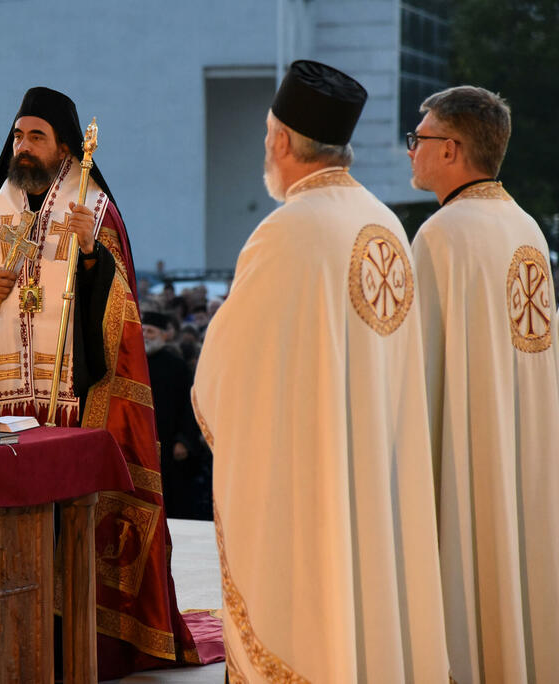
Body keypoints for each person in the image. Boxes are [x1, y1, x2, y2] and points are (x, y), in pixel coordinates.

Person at [192, 61, 449, 682]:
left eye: (266, 136)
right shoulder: (385, 222)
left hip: (313, 475)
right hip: (379, 463)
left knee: (315, 607)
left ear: (282, 141)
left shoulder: (287, 230)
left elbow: (227, 365)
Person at [0, 86, 199, 677]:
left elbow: (119, 314)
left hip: (74, 404)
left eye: (36, 136)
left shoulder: (95, 209)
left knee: (72, 529)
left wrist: (90, 254)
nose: (23, 146)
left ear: (63, 146)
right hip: (3, 409)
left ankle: (78, 637)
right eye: (18, 135)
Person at [408, 86, 559, 683]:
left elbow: (414, 373)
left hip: (470, 453)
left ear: (451, 149)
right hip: (528, 451)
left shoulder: (443, 234)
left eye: (419, 138)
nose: (412, 150)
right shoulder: (526, 227)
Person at [141, 311, 209, 520]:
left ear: (164, 335)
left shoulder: (177, 365)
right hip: (142, 439)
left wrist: (184, 440)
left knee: (172, 497)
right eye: (143, 330)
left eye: (151, 332)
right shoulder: (133, 364)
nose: (145, 336)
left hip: (170, 443)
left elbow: (190, 405)